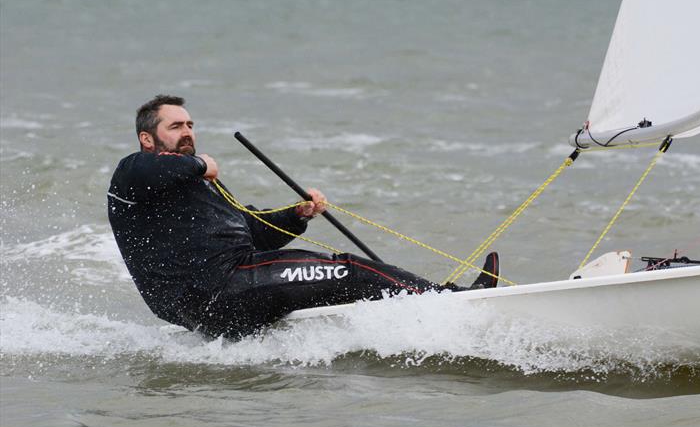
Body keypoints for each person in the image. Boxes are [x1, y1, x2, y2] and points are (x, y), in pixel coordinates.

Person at [108, 95, 499, 339]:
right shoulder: (135, 172)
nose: (188, 131)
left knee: (343, 284)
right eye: (176, 126)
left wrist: (297, 215)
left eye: (191, 124)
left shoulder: (198, 184)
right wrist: (199, 164)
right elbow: (157, 171)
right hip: (216, 289)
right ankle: (451, 302)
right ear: (148, 138)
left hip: (227, 291)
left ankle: (422, 322)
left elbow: (250, 232)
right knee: (347, 269)